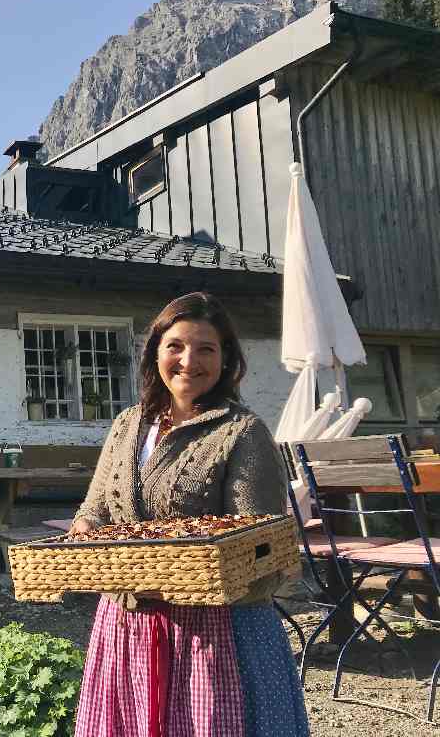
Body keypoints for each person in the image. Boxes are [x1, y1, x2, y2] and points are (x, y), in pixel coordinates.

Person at [70, 292, 308, 737]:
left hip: (213, 630)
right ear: (155, 351)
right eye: (175, 345)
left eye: (206, 349)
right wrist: (85, 529)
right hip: (127, 619)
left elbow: (258, 543)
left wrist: (197, 573)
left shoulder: (241, 432)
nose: (188, 361)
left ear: (226, 360)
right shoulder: (127, 425)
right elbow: (96, 506)